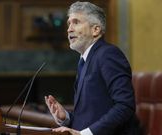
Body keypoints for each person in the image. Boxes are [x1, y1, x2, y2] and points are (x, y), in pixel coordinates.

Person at [45, 1, 141, 135]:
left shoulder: (108, 54)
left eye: (76, 22)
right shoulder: (84, 60)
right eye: (69, 23)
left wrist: (85, 134)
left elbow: (125, 106)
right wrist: (66, 117)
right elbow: (90, 118)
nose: (69, 29)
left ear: (95, 30)